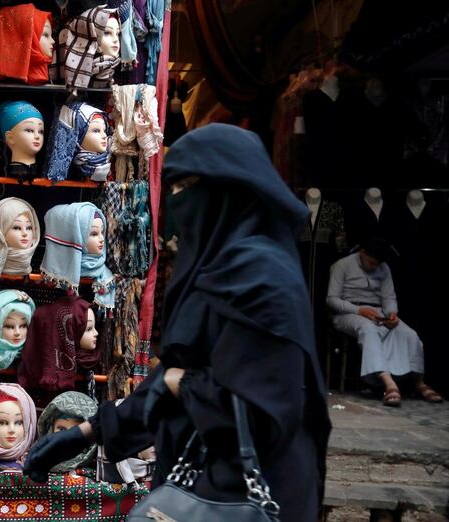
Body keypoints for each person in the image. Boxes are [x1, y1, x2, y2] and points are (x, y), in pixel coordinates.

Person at [23, 123, 331, 522]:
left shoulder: (263, 277)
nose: (176, 201)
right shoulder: (213, 267)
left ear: (228, 190)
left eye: (187, 187)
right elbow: (176, 377)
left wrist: (177, 382)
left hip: (253, 494)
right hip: (201, 485)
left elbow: (258, 408)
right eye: (173, 187)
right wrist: (85, 433)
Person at [327, 237, 443, 406]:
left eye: (377, 264)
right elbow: (331, 300)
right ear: (362, 252)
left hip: (377, 313)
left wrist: (391, 314)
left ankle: (419, 382)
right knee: (368, 329)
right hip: (348, 312)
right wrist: (358, 310)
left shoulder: (384, 268)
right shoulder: (342, 265)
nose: (374, 267)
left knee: (409, 333)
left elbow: (388, 297)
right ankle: (388, 382)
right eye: (371, 262)